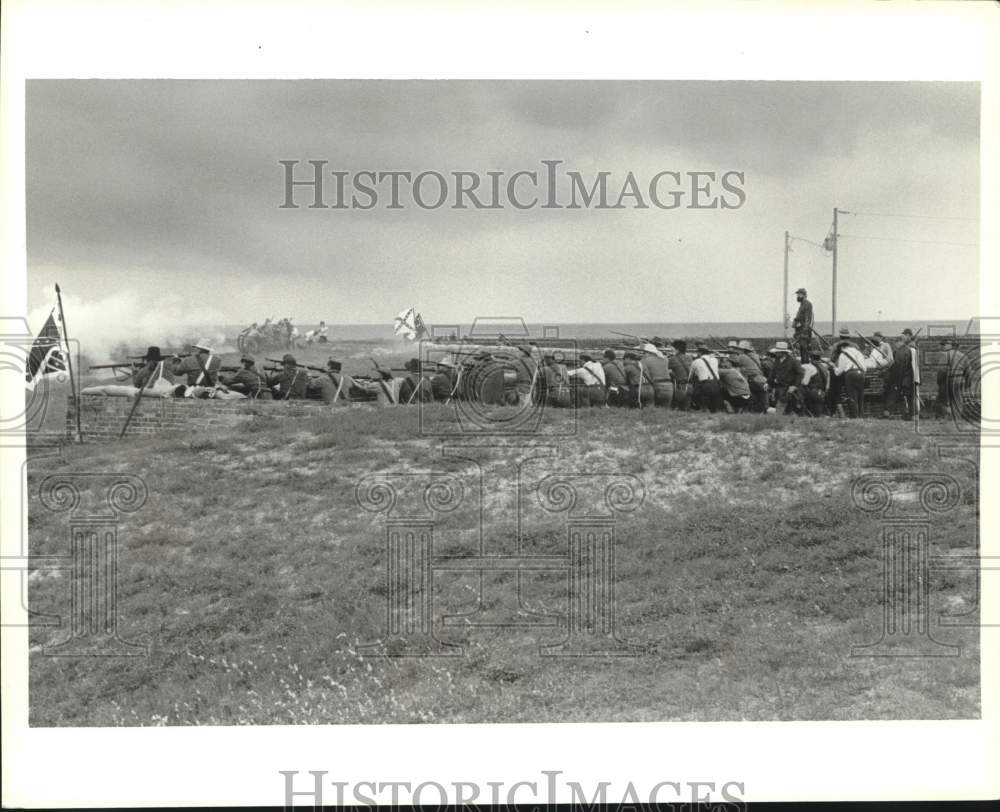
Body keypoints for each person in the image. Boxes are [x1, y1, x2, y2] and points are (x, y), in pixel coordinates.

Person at [883, 329, 921, 419]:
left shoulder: (900, 352)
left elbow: (899, 366)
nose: (895, 345)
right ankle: (914, 415)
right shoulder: (910, 350)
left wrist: (893, 378)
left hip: (901, 378)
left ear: (899, 342)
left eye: (896, 343)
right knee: (911, 397)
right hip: (910, 378)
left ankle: (887, 412)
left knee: (893, 395)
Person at [831, 330, 867, 418]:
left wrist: (834, 368)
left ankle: (853, 416)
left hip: (849, 374)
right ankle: (861, 416)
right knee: (860, 397)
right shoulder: (857, 350)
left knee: (851, 396)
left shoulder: (840, 351)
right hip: (861, 373)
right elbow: (864, 367)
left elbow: (838, 369)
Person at [767, 340, 803, 414]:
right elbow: (772, 373)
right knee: (780, 406)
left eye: (778, 352)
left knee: (785, 407)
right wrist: (768, 383)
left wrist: (794, 386)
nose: (776, 353)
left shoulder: (793, 361)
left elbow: (800, 374)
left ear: (783, 352)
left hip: (789, 388)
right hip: (779, 387)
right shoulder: (777, 361)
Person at [732, 340, 768, 413]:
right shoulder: (755, 355)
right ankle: (763, 411)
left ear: (743, 349)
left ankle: (754, 411)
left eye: (739, 349)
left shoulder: (742, 357)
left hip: (752, 379)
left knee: (753, 397)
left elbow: (733, 362)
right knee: (761, 397)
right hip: (761, 379)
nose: (738, 350)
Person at [688, 344, 724, 413]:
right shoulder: (715, 360)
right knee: (714, 406)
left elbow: (690, 377)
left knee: (702, 402)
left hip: (705, 385)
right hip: (716, 384)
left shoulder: (696, 361)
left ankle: (702, 409)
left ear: (700, 353)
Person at [934, 339, 965, 419]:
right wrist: (968, 382)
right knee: (958, 399)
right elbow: (968, 370)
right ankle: (957, 417)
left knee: (943, 399)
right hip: (960, 380)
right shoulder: (963, 355)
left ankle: (943, 416)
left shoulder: (945, 354)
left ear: (951, 346)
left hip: (949, 380)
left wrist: (939, 381)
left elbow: (942, 370)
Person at [639, 343, 674, 407]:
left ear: (648, 352)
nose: (643, 354)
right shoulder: (665, 359)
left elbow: (645, 374)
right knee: (665, 410)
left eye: (644, 353)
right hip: (669, 386)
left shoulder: (644, 360)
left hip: (656, 386)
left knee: (653, 410)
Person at [801, 350, 829, 416]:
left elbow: (805, 383)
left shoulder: (809, 367)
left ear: (810, 358)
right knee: (817, 414)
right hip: (822, 393)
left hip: (812, 393)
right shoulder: (824, 368)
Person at [792, 287, 814, 363]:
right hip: (799, 330)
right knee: (802, 349)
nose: (797, 296)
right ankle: (804, 364)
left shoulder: (807, 304)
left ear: (804, 295)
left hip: (804, 332)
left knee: (804, 350)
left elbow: (808, 319)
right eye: (797, 294)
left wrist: (804, 332)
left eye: (799, 294)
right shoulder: (802, 305)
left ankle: (806, 365)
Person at [668, 339, 692, 410]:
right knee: (686, 409)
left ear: (677, 349)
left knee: (675, 409)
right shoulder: (689, 358)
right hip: (690, 386)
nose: (671, 350)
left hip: (680, 388)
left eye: (673, 349)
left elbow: (665, 369)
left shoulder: (672, 359)